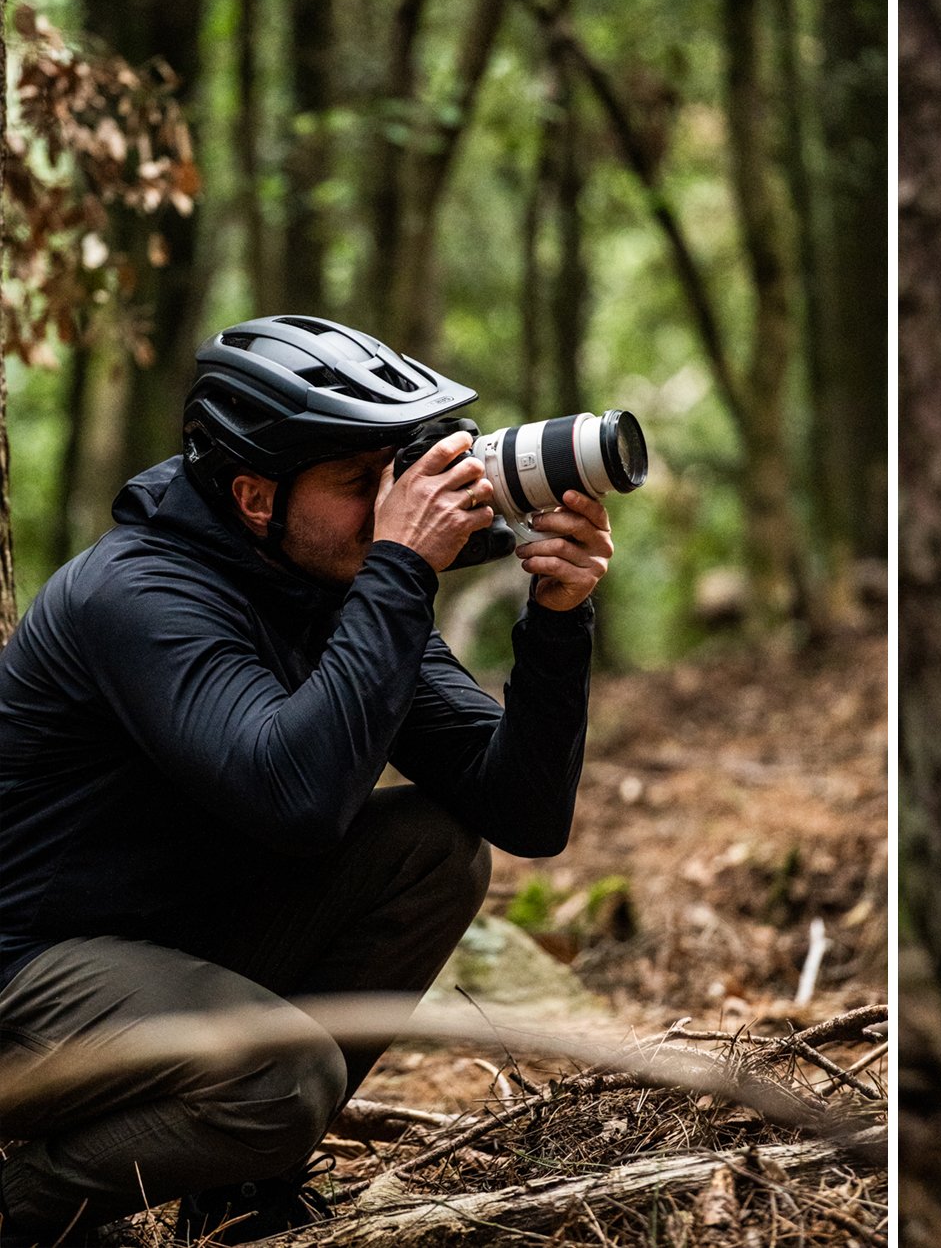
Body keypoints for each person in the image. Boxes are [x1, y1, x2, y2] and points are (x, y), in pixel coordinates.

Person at [0, 316, 614, 1247]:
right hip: (27, 975)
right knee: (280, 1076)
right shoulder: (139, 595)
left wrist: (559, 620)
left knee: (435, 850)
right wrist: (401, 569)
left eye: (394, 472)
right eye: (360, 482)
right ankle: (26, 1212)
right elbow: (297, 800)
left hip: (166, 947)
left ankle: (245, 1197)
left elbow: (522, 811)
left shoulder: (330, 583)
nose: (394, 502)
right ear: (255, 495)